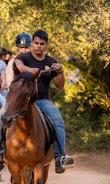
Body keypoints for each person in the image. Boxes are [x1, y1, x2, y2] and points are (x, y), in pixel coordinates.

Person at [14, 29, 74, 174]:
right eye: (36, 43)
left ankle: (60, 157)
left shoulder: (50, 62)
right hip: (21, 101)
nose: (39, 46)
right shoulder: (23, 57)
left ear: (46, 45)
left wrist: (60, 72)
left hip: (42, 100)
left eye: (42, 44)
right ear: (32, 43)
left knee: (58, 120)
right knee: (1, 118)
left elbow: (59, 85)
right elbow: (19, 66)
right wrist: (31, 71)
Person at [0, 32, 32, 171]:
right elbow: (9, 82)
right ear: (18, 47)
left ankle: (55, 153)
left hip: (32, 98)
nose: (24, 50)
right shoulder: (12, 63)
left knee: (51, 118)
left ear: (30, 47)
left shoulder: (34, 61)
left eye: (26, 47)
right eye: (21, 47)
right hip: (15, 98)